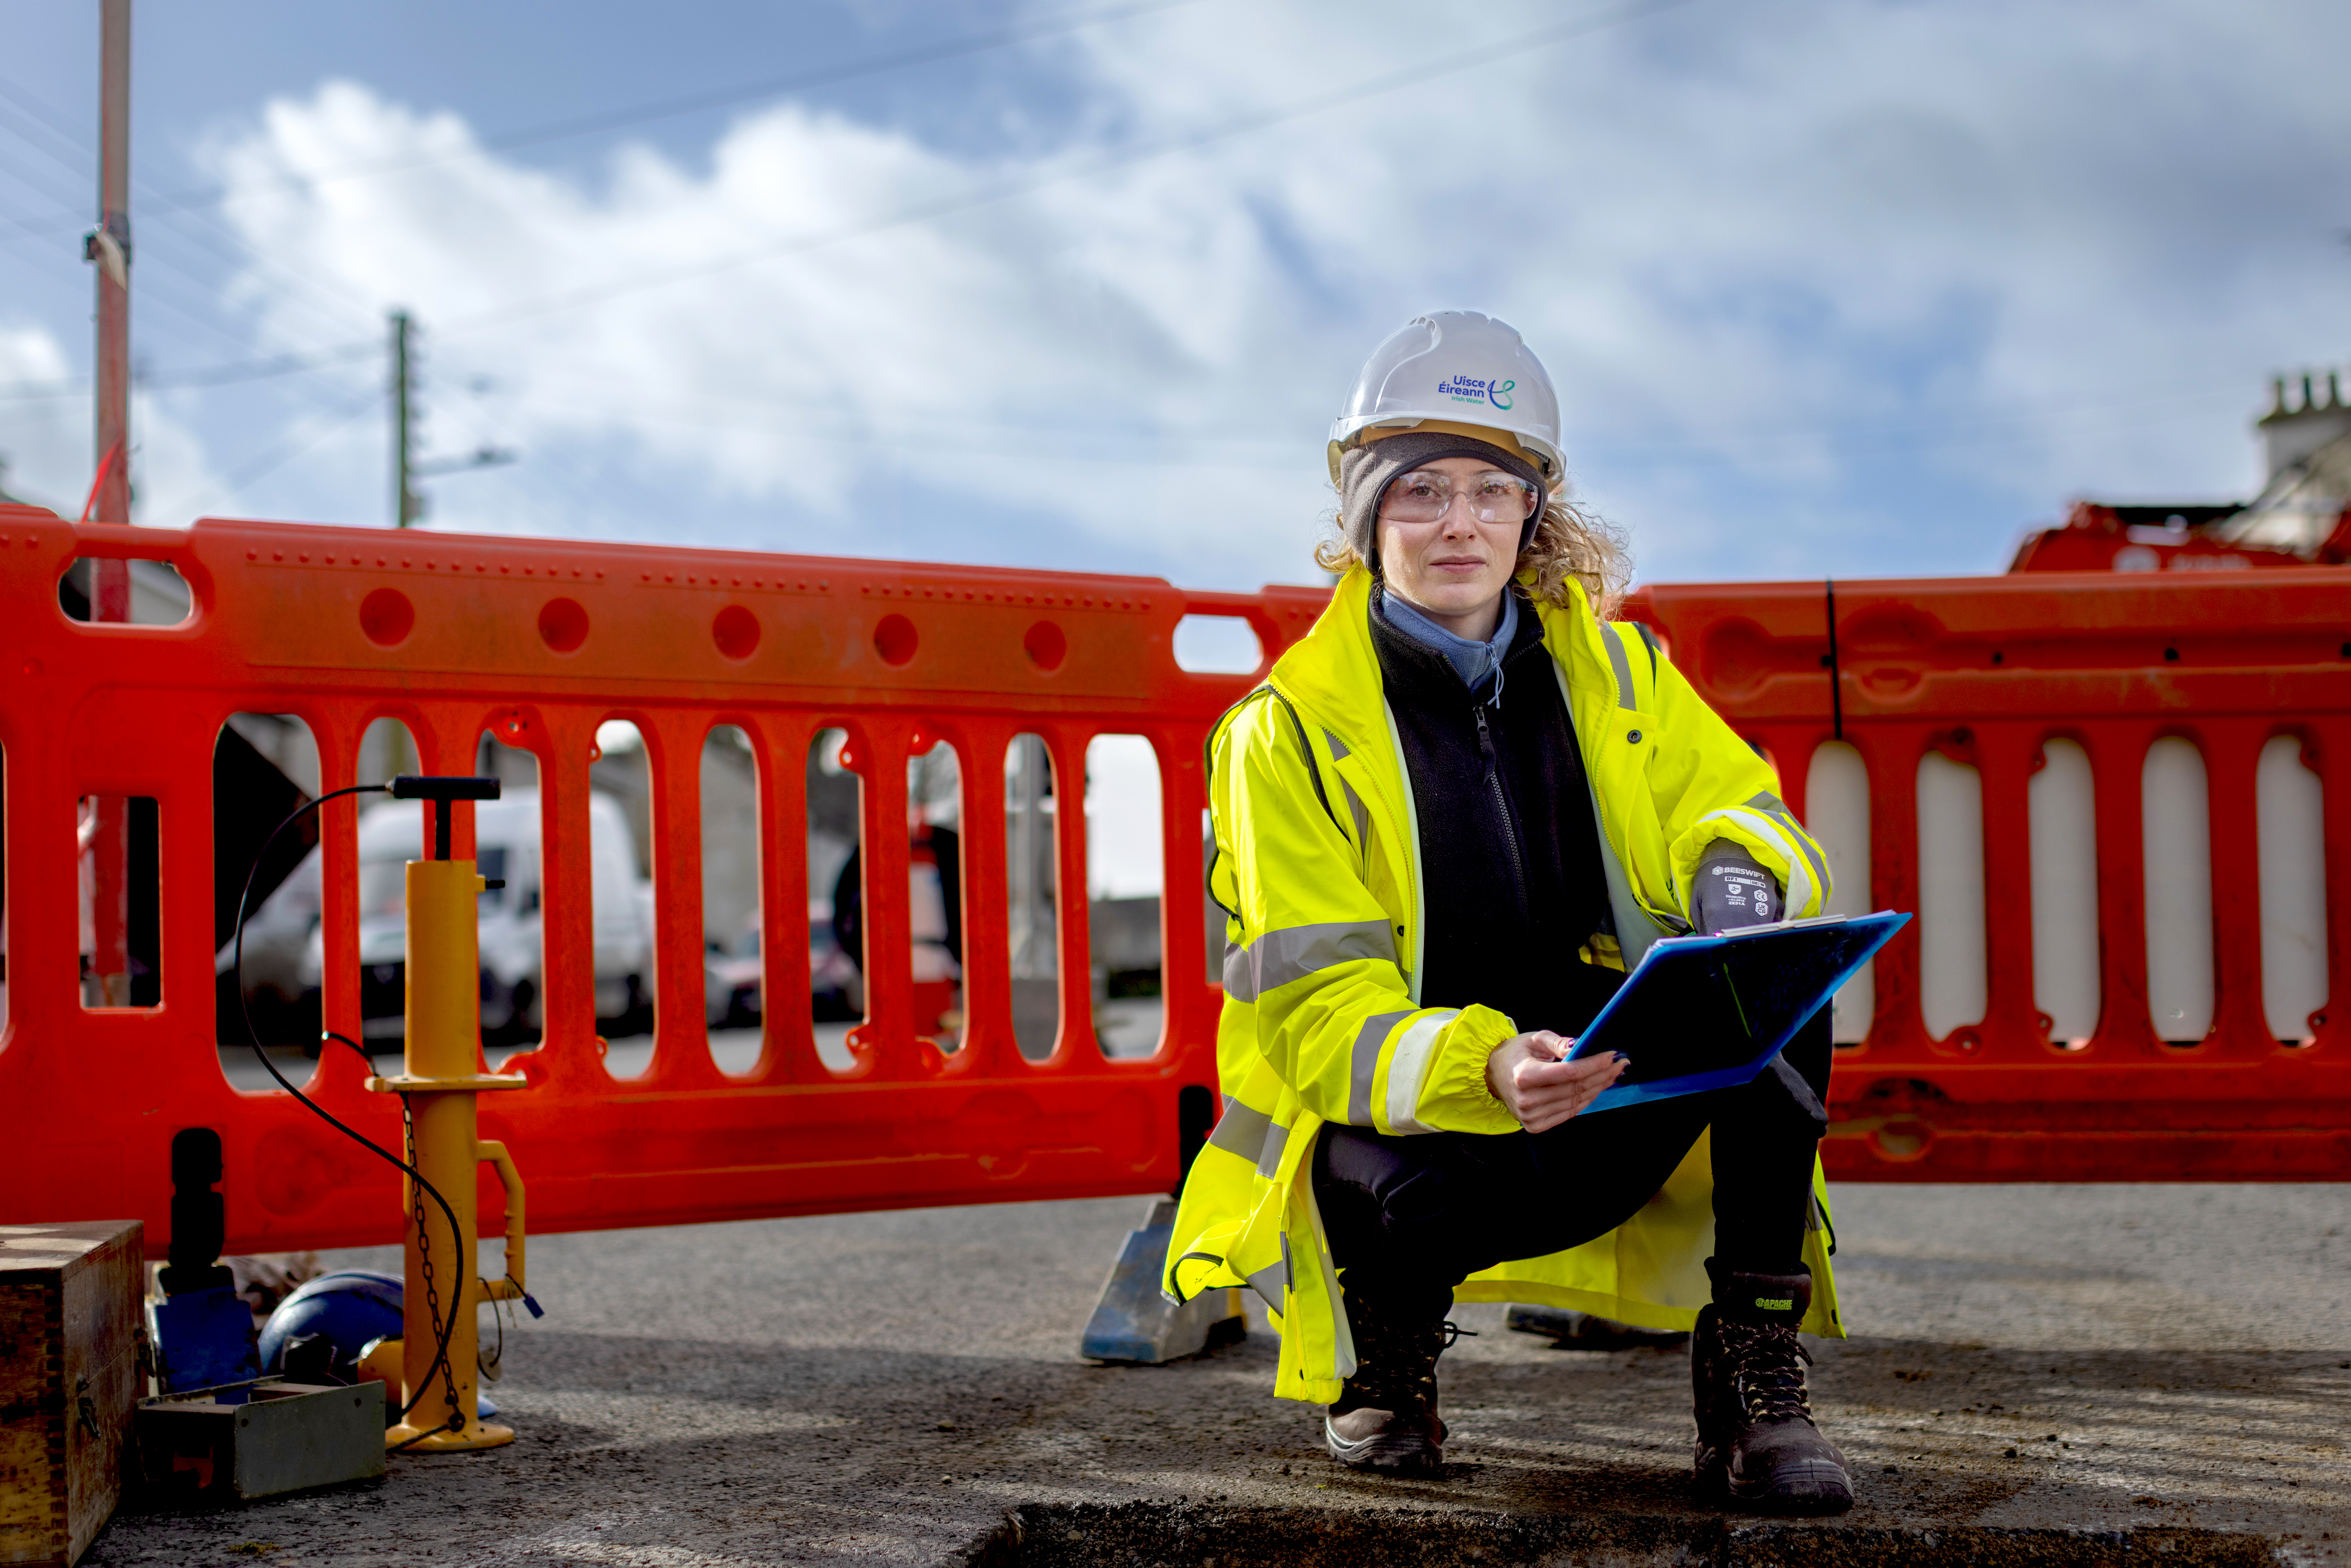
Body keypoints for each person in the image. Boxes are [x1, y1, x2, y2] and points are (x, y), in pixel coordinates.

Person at [1163, 311, 1850, 1514]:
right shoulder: (1287, 734)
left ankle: (1752, 1369)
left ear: (1536, 512)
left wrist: (1739, 887)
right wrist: (1481, 1066)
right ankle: (1386, 1342)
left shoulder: (1621, 673)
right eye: (1420, 489)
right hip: (1403, 1143)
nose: (1459, 522)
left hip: (1589, 1083)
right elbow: (1320, 1018)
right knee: (1404, 1194)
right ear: (1367, 513)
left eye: (1493, 487)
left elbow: (1743, 810)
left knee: (1779, 991)